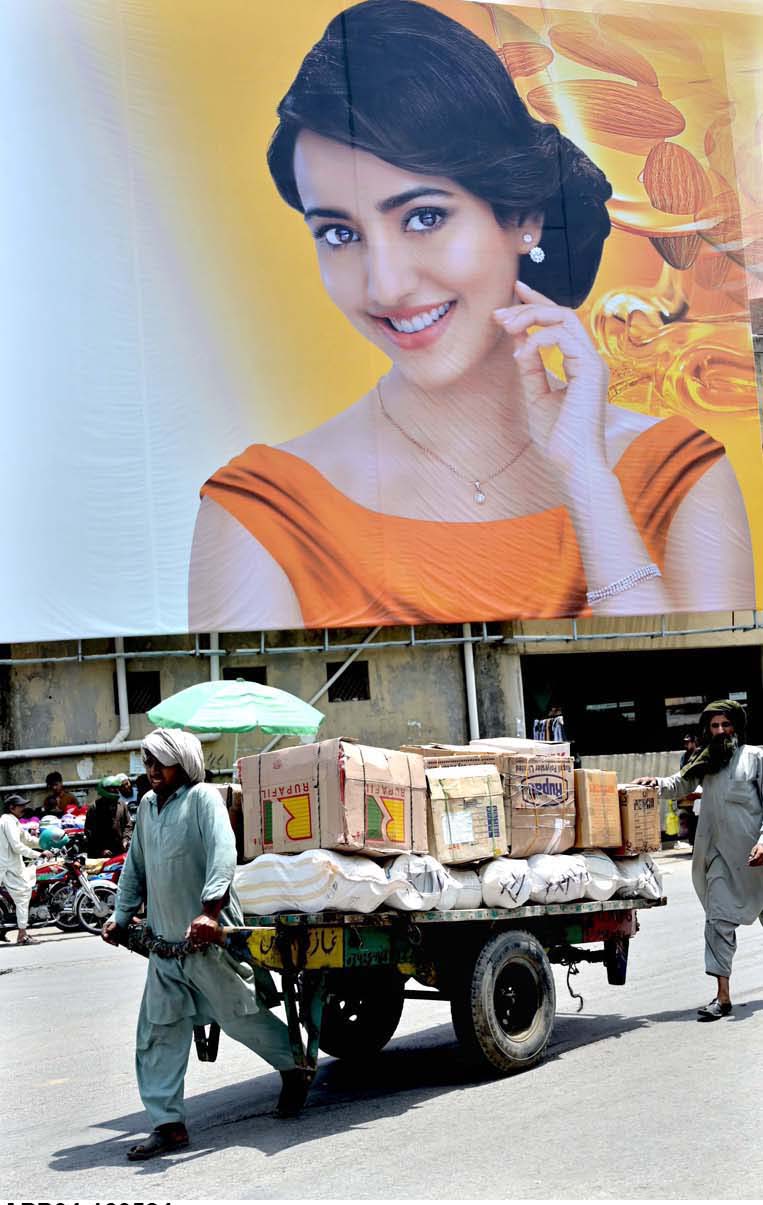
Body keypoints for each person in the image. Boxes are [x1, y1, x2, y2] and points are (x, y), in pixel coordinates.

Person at [189, 0, 754, 631]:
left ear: (523, 217)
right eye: (340, 234)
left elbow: (697, 692)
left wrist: (588, 480)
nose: (387, 284)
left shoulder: (676, 473)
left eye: (423, 217)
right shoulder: (262, 510)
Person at [102, 729, 307, 1161]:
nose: (152, 770)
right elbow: (136, 868)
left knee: (241, 1018)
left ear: (186, 764)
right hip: (165, 948)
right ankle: (168, 1125)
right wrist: (120, 918)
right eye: (148, 761)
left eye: (161, 761)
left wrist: (209, 913)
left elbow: (222, 854)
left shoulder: (203, 800)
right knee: (158, 1033)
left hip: (208, 940)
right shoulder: (147, 807)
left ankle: (295, 1070)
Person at [638, 700, 763, 1021]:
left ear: (738, 726)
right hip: (723, 860)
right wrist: (655, 784)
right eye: (714, 726)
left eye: (726, 725)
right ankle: (722, 997)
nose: (720, 731)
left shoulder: (756, 758)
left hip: (759, 861)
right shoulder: (705, 762)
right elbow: (679, 783)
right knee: (718, 922)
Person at [0, 794, 41, 945]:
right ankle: (22, 934)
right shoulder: (7, 821)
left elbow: (27, 839)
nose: (24, 808)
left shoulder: (13, 821)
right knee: (23, 894)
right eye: (20, 805)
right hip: (6, 867)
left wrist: (46, 843)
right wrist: (39, 854)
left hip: (10, 866)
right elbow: (17, 846)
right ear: (12, 807)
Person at [84, 777, 133, 858]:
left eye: (117, 788)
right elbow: (89, 832)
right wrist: (101, 849)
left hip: (119, 851)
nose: (116, 790)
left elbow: (128, 825)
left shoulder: (122, 805)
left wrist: (125, 840)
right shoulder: (95, 808)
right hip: (100, 854)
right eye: (112, 788)